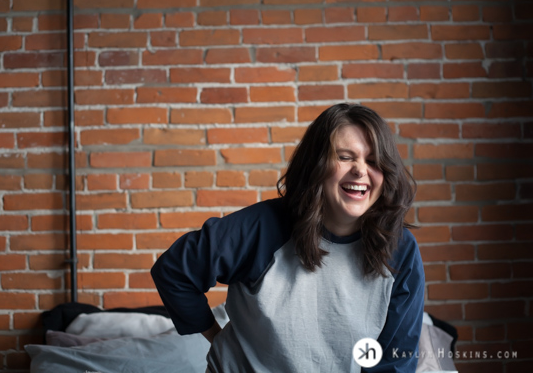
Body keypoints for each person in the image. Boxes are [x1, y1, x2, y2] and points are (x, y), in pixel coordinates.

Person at [151, 103, 425, 372]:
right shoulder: (263, 226)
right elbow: (175, 270)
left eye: (374, 161)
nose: (360, 170)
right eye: (344, 157)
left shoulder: (399, 248)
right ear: (316, 165)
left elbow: (394, 360)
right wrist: (216, 336)